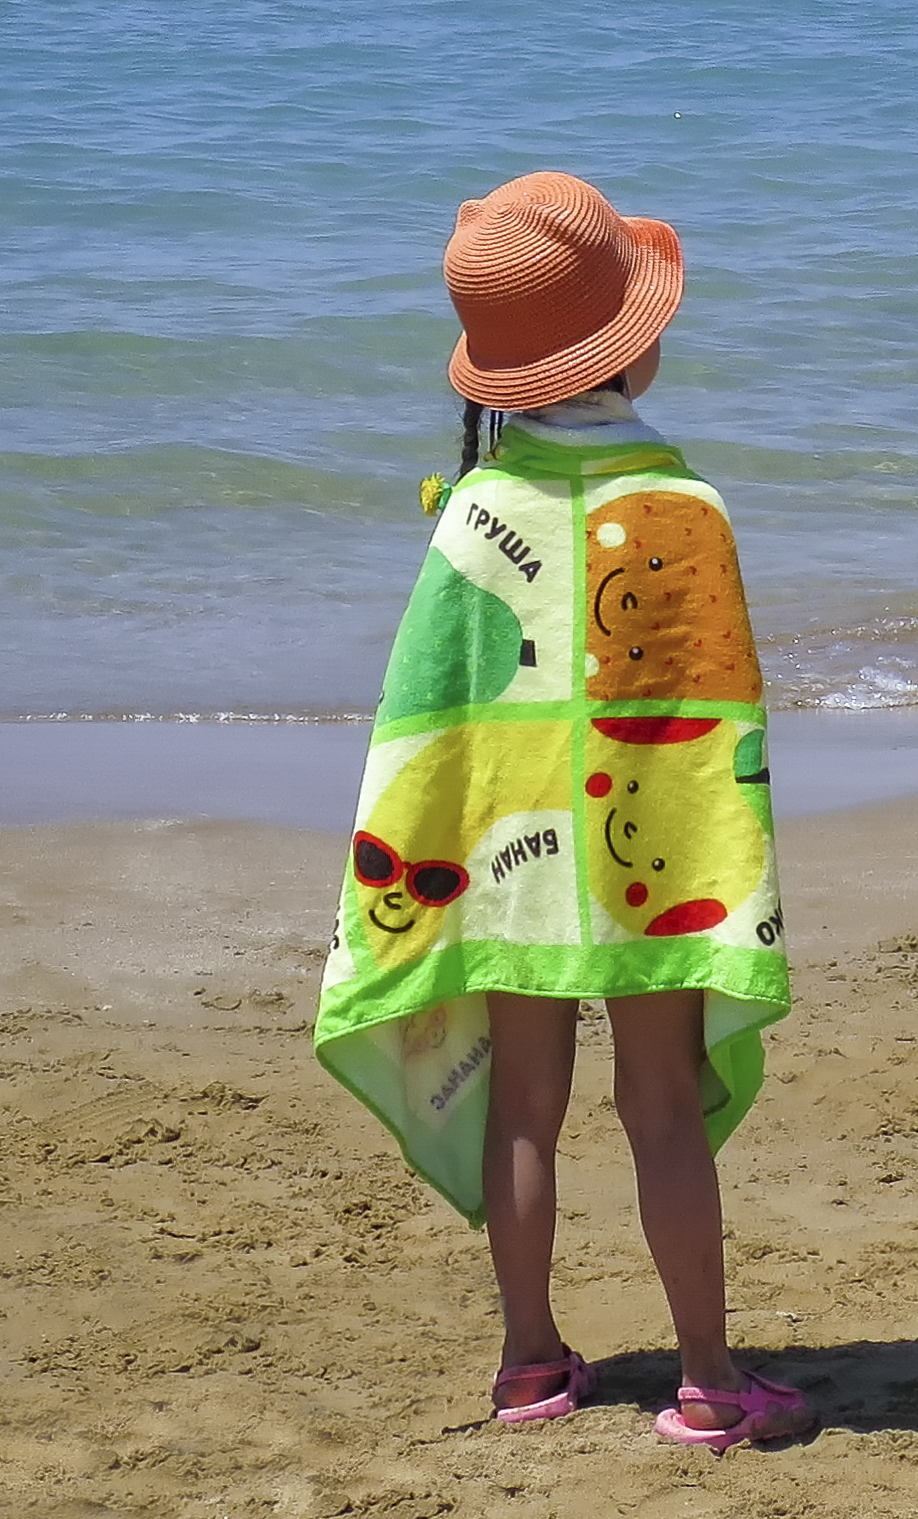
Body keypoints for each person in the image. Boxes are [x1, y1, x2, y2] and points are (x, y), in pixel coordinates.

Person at [310, 170, 812, 1450]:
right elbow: (712, 732)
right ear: (632, 349)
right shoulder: (684, 507)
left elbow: (430, 726)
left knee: (525, 1107)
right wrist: (722, 859)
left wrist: (424, 856)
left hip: (508, 857)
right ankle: (705, 1380)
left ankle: (528, 1363)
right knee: (660, 1107)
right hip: (652, 866)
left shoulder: (475, 516)